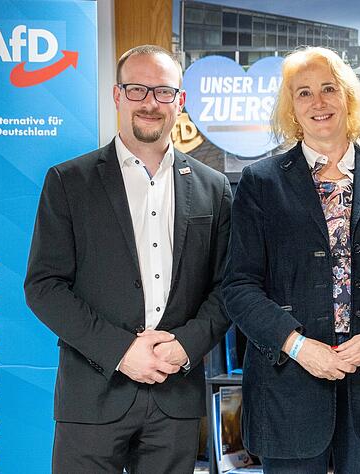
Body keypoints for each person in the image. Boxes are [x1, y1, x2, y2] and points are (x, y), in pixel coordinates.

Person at [222, 47, 360, 473]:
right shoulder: (260, 183)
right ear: (291, 109)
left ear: (349, 98)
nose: (318, 102)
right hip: (289, 388)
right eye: (303, 93)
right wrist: (298, 346)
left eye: (328, 89)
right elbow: (239, 287)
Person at [24, 44, 232, 473]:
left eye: (162, 91)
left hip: (175, 397)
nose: (150, 103)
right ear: (117, 96)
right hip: (92, 394)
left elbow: (227, 287)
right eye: (136, 90)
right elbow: (44, 287)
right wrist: (121, 351)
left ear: (180, 101)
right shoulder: (69, 181)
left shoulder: (214, 188)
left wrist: (184, 347)